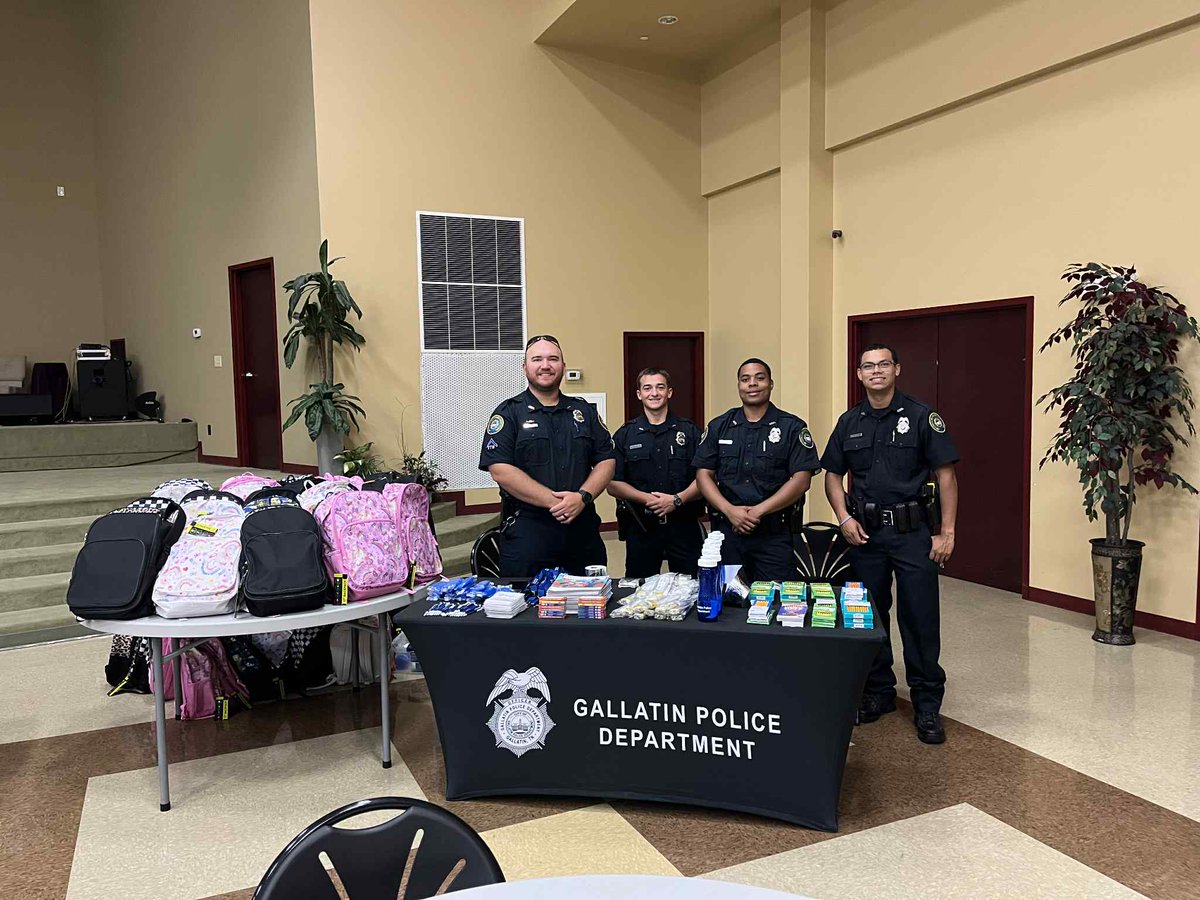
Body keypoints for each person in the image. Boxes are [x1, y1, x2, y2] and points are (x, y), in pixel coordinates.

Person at [822, 342, 959, 745]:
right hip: (864, 535)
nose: (876, 371)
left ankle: (927, 703)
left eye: (884, 364)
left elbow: (946, 475)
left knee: (919, 618)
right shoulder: (849, 422)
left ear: (897, 369)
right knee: (868, 616)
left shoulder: (921, 417)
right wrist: (843, 517)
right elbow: (832, 475)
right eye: (868, 366)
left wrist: (947, 532)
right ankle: (878, 692)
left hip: (913, 533)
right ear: (859, 375)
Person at [479, 335, 615, 577]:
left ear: (563, 366)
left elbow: (607, 460)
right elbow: (499, 468)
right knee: (524, 607)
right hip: (529, 530)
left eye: (553, 359)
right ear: (525, 367)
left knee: (590, 605)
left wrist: (582, 497)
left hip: (581, 529)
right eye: (537, 359)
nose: (545, 365)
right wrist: (557, 503)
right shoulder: (509, 413)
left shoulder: (583, 411)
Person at [693, 358, 820, 583]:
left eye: (759, 378)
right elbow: (704, 474)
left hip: (774, 534)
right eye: (745, 379)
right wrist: (729, 510)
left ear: (771, 384)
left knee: (777, 601)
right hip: (727, 533)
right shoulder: (719, 426)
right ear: (739, 386)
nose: (752, 384)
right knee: (728, 601)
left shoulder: (792, 427)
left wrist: (758, 512)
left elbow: (801, 480)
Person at [607, 367, 704, 578]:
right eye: (647, 388)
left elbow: (705, 477)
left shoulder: (689, 432)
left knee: (691, 585)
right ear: (639, 394)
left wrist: (677, 500)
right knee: (639, 588)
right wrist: (649, 500)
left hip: (683, 526)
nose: (654, 393)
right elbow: (612, 484)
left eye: (660, 387)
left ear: (669, 392)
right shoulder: (626, 435)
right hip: (642, 527)